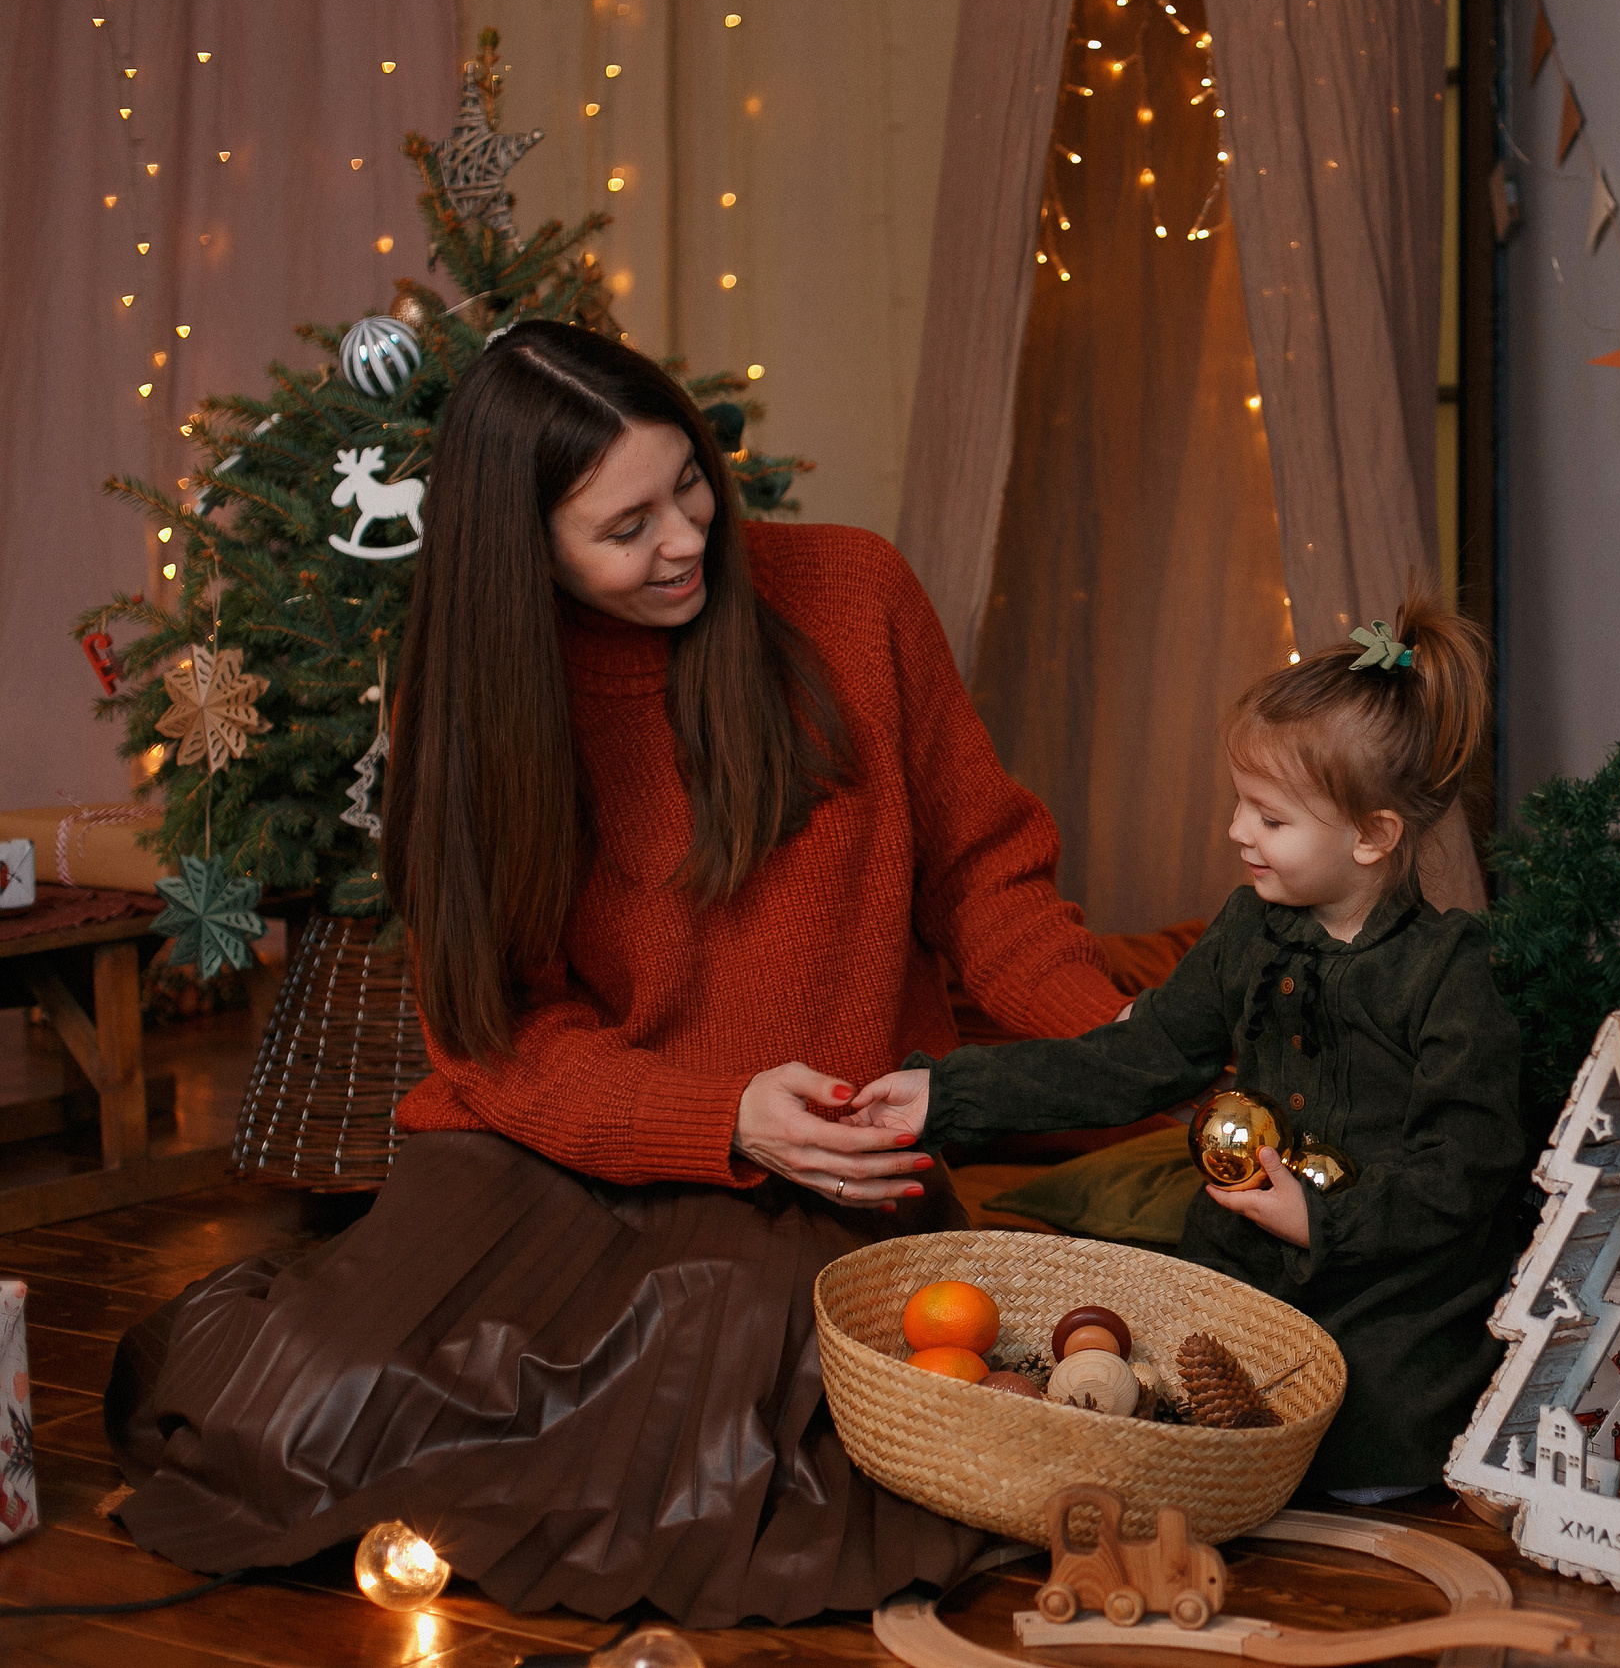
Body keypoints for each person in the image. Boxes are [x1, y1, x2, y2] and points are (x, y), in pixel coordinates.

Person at [104, 321, 1131, 1627]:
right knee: (290, 1414)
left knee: (725, 1428)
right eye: (625, 523)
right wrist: (715, 1117)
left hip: (809, 1171)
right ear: (523, 545)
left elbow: (989, 880)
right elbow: (497, 1042)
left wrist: (1133, 1039)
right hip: (542, 1151)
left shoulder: (854, 596)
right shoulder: (477, 701)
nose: (687, 537)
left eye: (690, 483)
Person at [851, 589, 1523, 1500]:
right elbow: (1132, 1059)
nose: (1238, 832)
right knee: (1161, 1386)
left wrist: (1320, 1220)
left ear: (1373, 836)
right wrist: (949, 1096)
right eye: (1240, 804)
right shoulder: (1252, 926)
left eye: (1271, 818)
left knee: (1353, 1439)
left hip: (1390, 1281)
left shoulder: (1449, 972)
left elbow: (1466, 1171)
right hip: (1241, 1256)